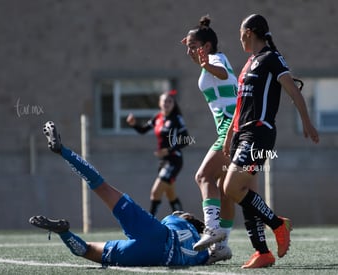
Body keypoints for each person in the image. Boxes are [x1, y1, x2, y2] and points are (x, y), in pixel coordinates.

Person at [29, 121, 209, 267]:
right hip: (149, 257)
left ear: (186, 216)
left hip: (157, 233)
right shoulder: (201, 253)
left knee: (101, 186)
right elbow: (217, 255)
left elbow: (173, 221)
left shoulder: (176, 221)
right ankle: (64, 233)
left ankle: (62, 151)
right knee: (88, 250)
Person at [220, 14, 319, 268]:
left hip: (259, 133)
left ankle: (278, 224)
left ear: (249, 32)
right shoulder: (249, 63)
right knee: (245, 192)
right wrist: (231, 131)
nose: (239, 37)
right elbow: (242, 103)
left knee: (231, 187)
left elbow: (293, 91)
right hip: (242, 133)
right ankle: (262, 252)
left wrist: (306, 121)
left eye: (240, 32)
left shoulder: (271, 59)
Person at [181, 15, 237, 264]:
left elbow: (222, 74)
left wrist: (205, 64)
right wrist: (198, 54)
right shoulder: (212, 58)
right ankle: (221, 247)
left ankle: (212, 230)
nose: (189, 49)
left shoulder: (216, 59)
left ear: (206, 47)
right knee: (225, 193)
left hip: (230, 126)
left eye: (193, 45)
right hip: (235, 126)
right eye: (187, 45)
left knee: (202, 176)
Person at [126, 90, 188, 216]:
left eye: (170, 101)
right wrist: (134, 124)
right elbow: (143, 130)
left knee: (156, 192)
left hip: (174, 160)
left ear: (173, 104)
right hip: (163, 161)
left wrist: (169, 150)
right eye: (164, 101)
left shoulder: (177, 119)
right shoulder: (158, 117)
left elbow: (185, 140)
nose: (167, 103)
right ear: (160, 103)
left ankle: (150, 222)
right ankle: (186, 221)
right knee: (170, 194)